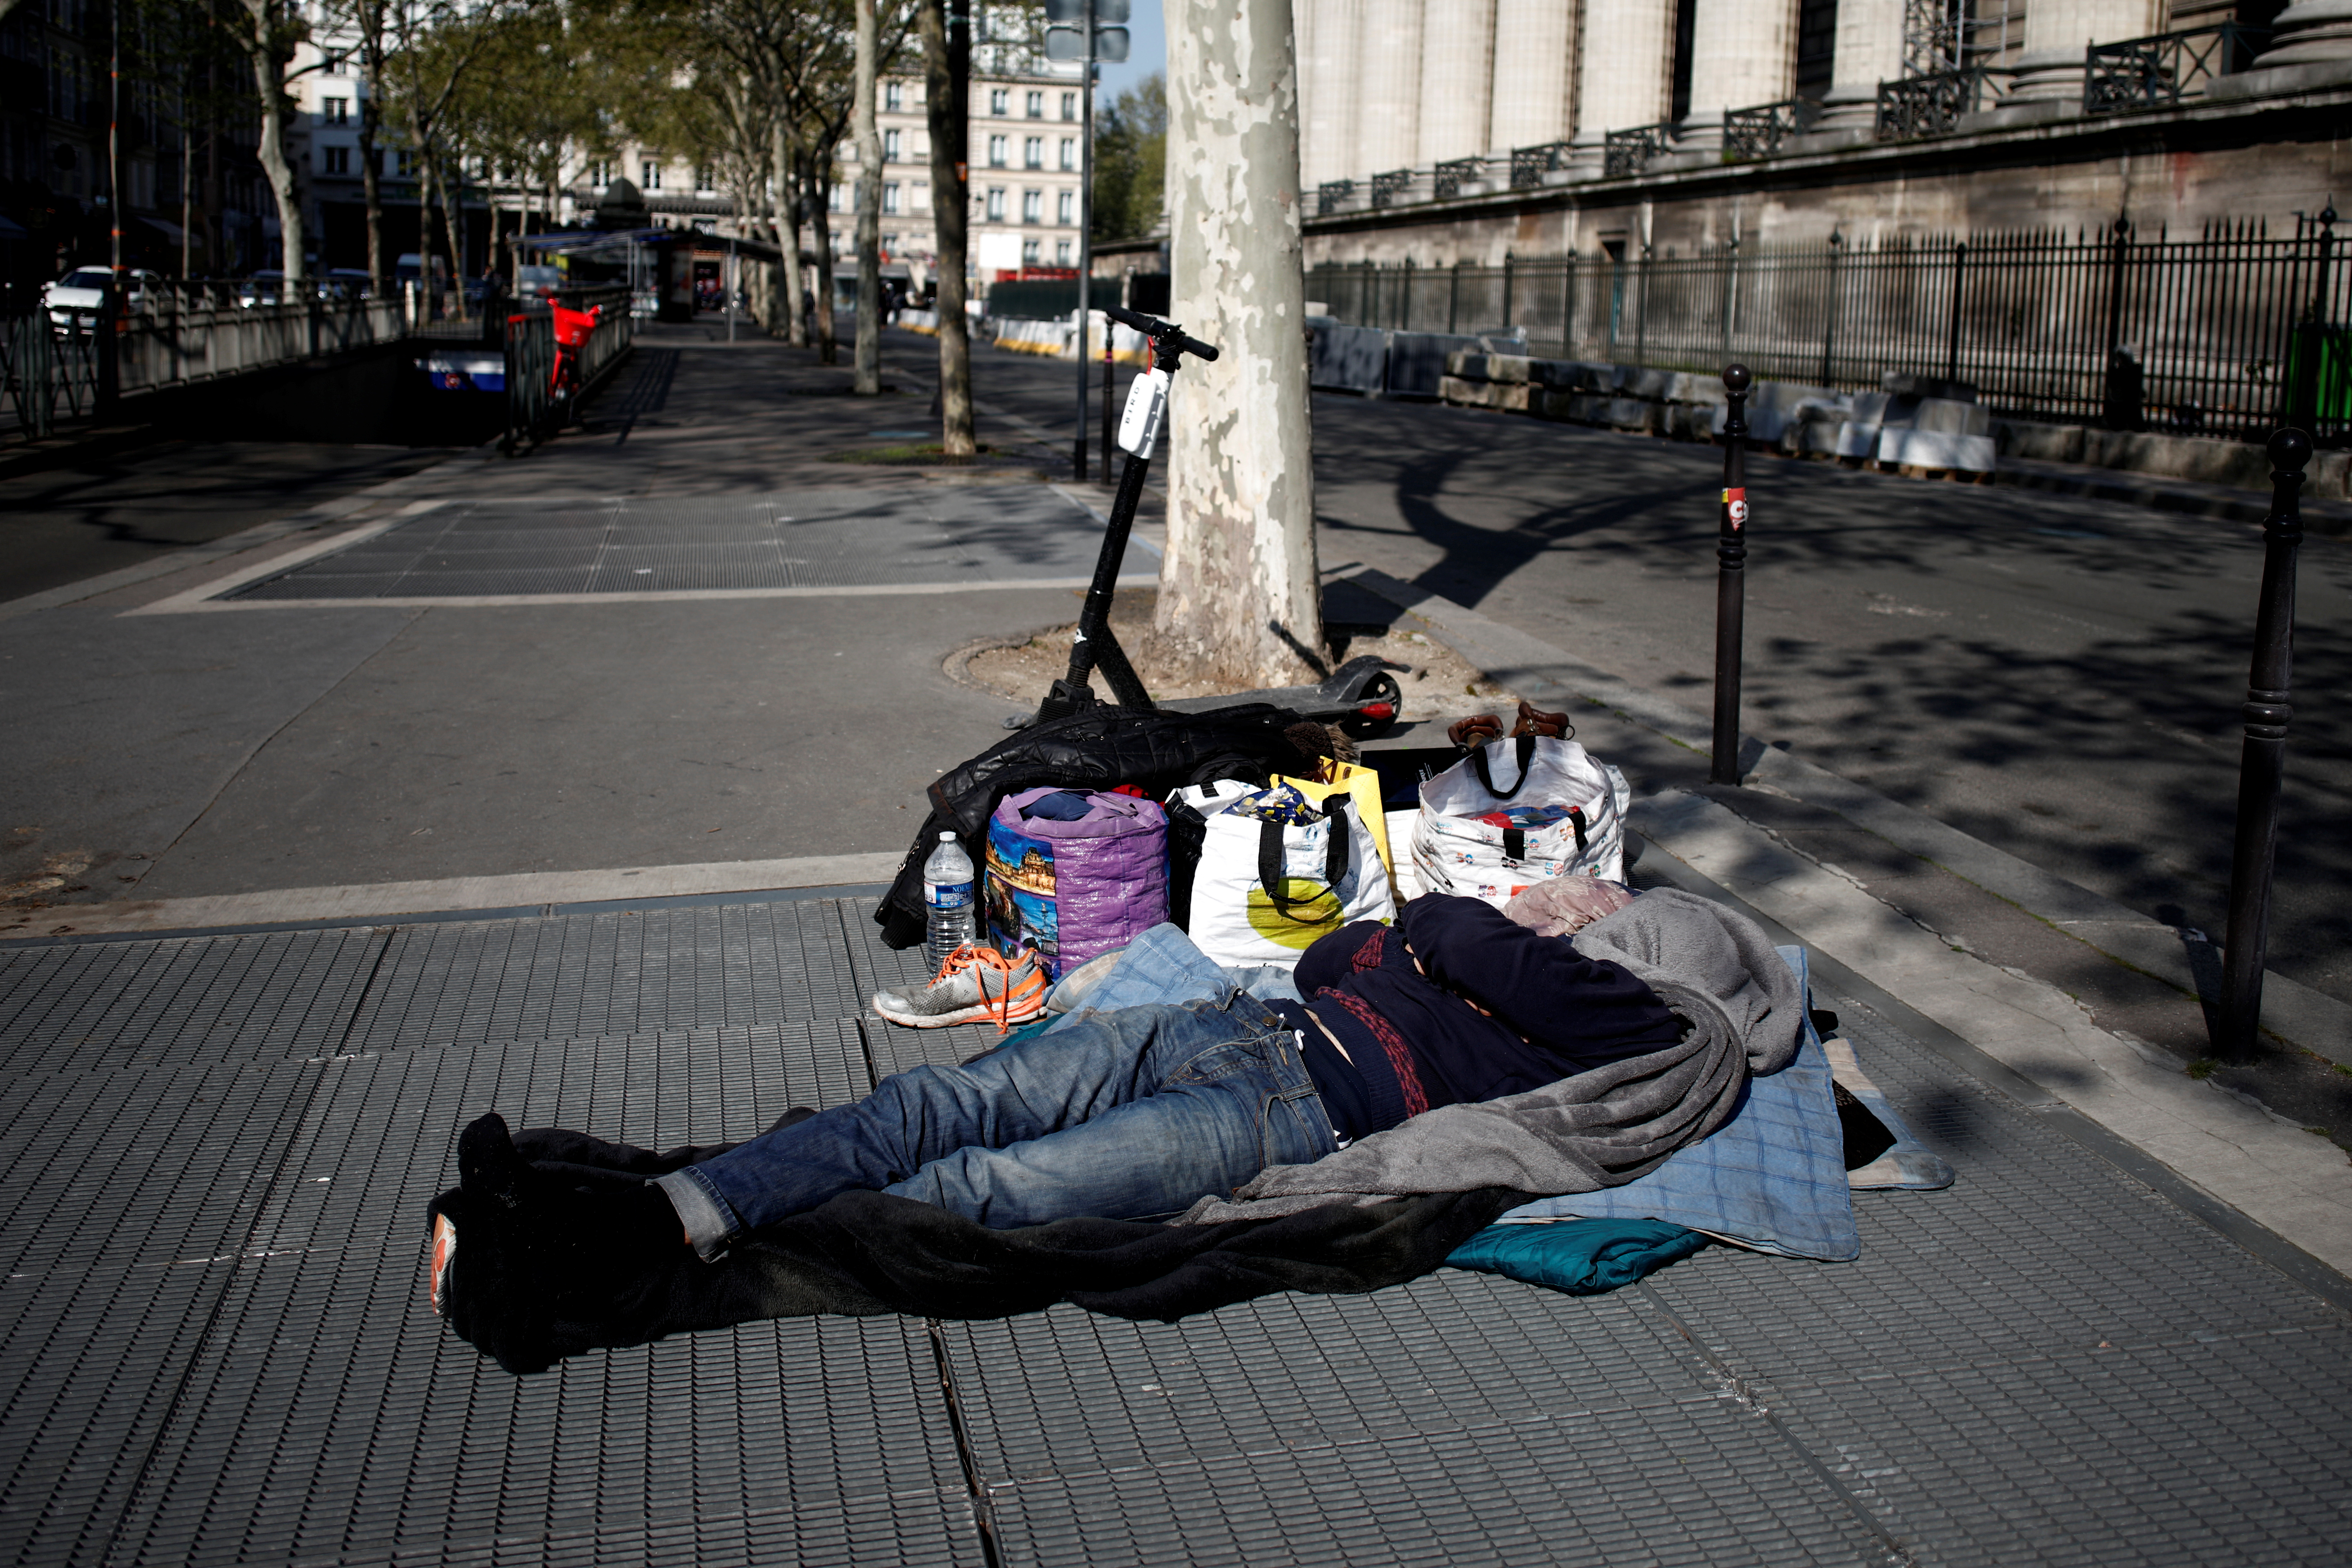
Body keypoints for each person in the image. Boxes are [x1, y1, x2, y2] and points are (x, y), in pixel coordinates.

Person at [434, 892, 1695, 1310]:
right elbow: (1331, 956)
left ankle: (567, 1275)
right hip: (1225, 1029)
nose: (1573, 900)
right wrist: (1420, 947)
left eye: (1596, 909)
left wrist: (1462, 936)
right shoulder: (1517, 976)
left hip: (1289, 1113)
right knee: (922, 1111)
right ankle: (663, 1204)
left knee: (975, 1193)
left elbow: (1442, 930)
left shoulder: (1637, 1017)